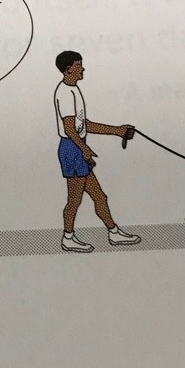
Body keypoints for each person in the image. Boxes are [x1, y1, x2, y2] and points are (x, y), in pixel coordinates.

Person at [53, 50, 141, 253]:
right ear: (68, 70)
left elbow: (84, 124)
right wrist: (84, 149)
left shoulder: (73, 89)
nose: (82, 69)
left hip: (77, 146)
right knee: (75, 199)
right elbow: (69, 128)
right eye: (78, 65)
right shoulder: (65, 93)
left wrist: (117, 131)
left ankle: (114, 232)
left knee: (100, 197)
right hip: (72, 149)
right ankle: (68, 238)